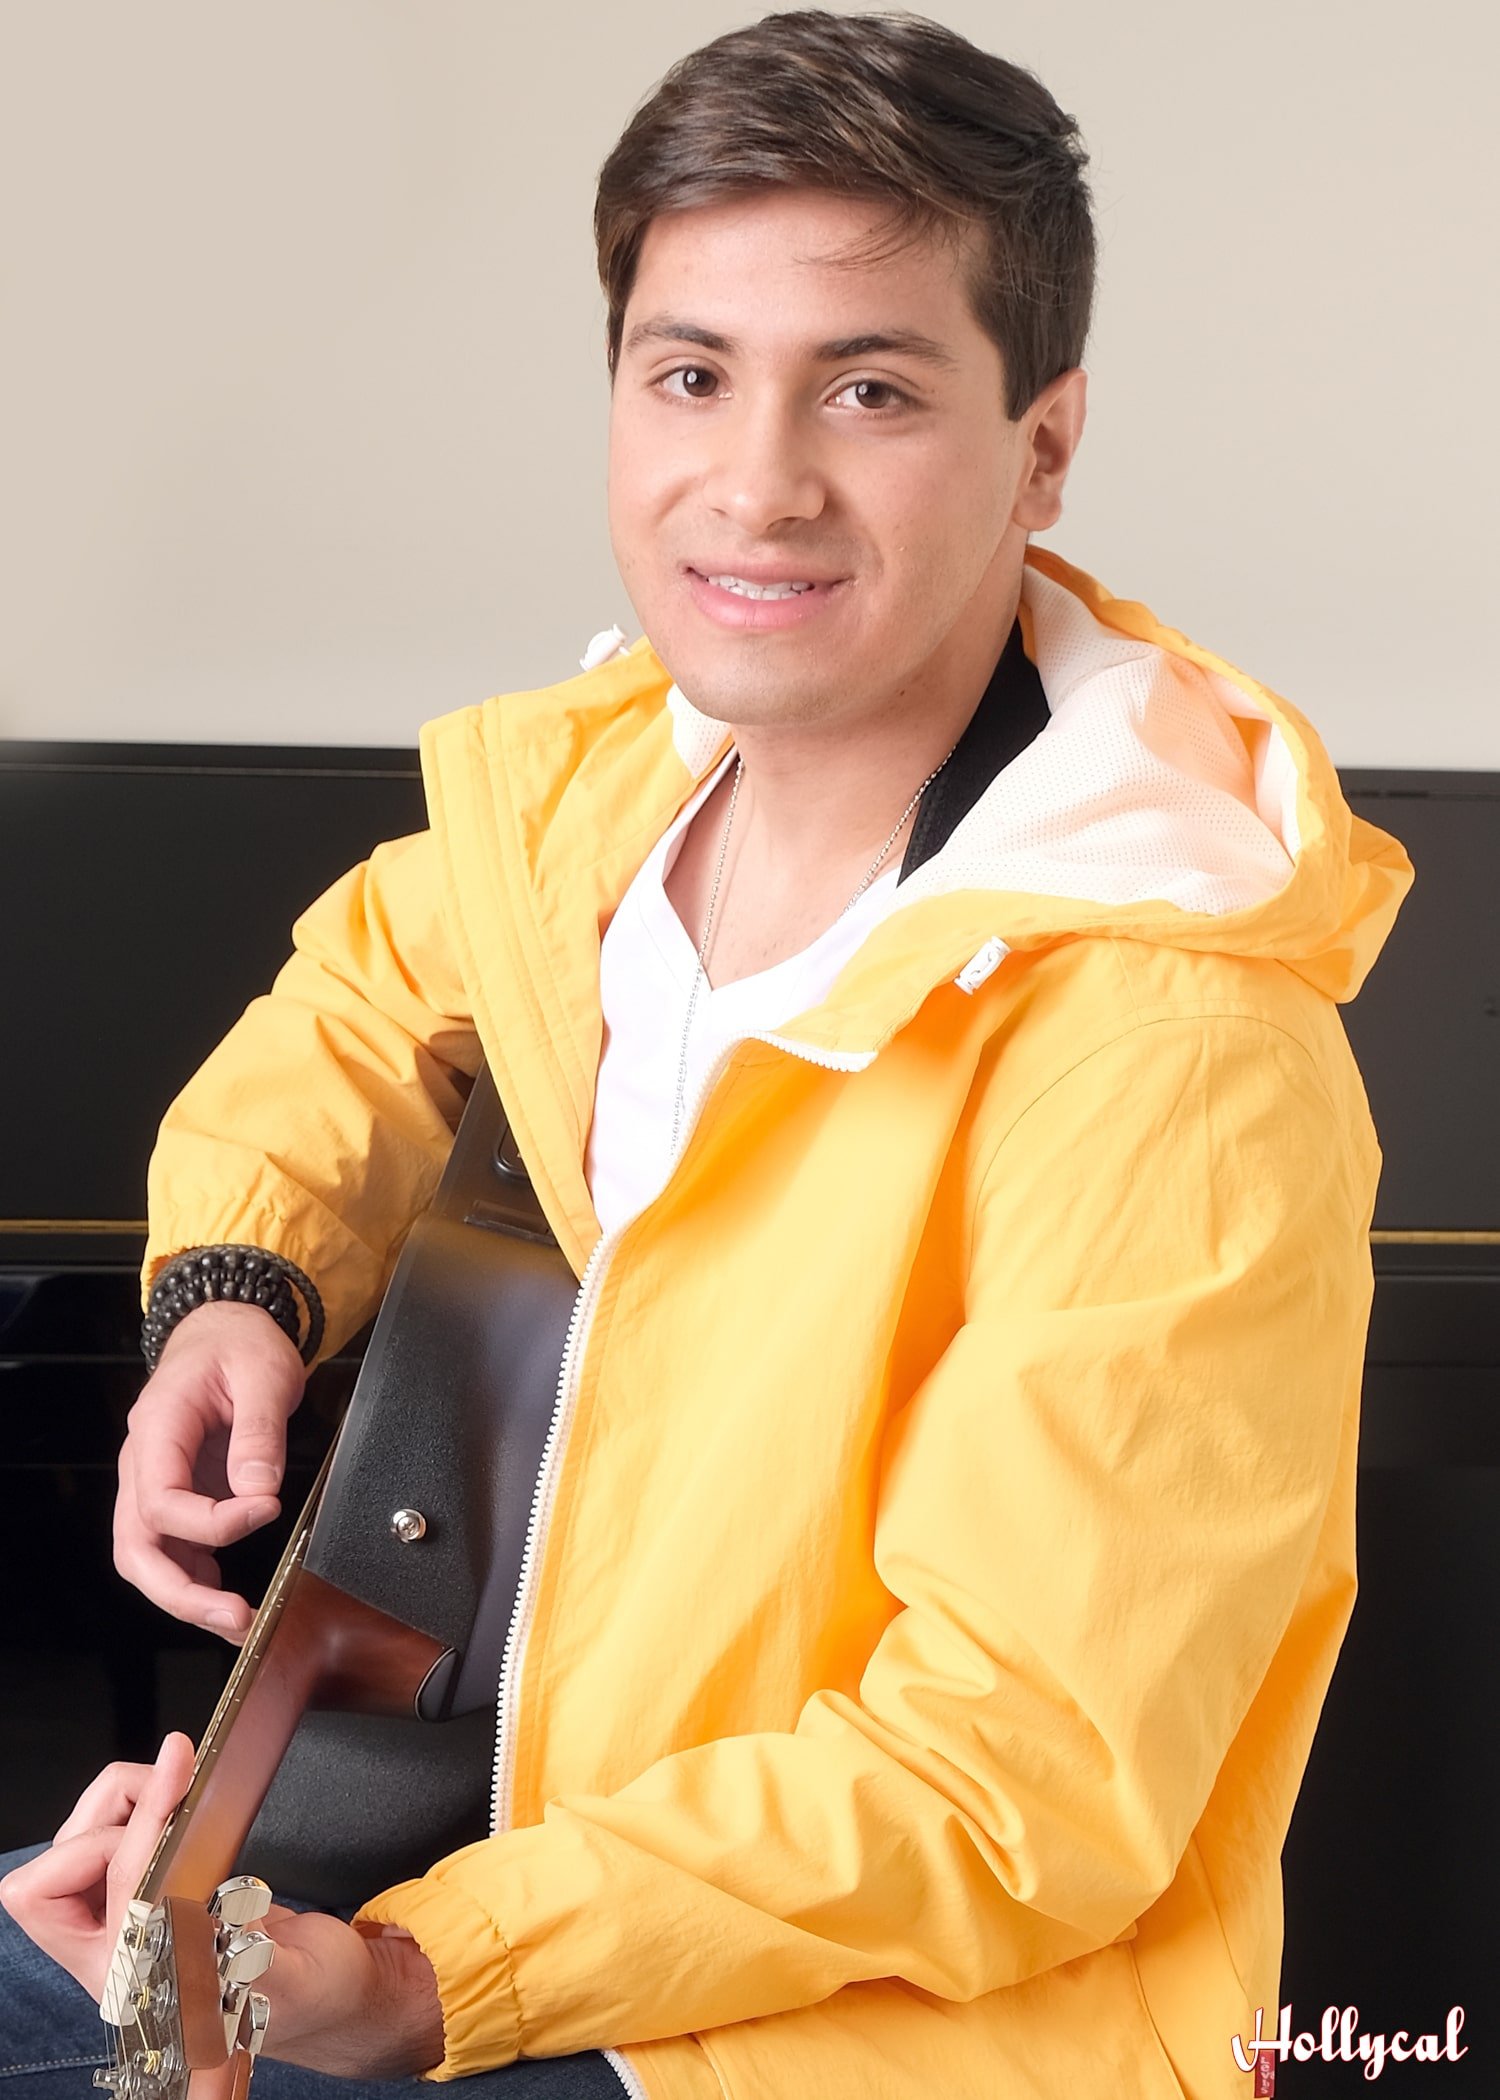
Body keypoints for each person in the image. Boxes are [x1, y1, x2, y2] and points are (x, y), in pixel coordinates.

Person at [1, 11, 1411, 2099]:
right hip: (459, 1872)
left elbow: (1016, 1774)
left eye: (870, 388)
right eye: (690, 376)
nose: (756, 484)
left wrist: (420, 1978)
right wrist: (238, 1285)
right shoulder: (615, 797)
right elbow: (370, 990)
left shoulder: (1178, 1051)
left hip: (831, 2036)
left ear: (1043, 445)